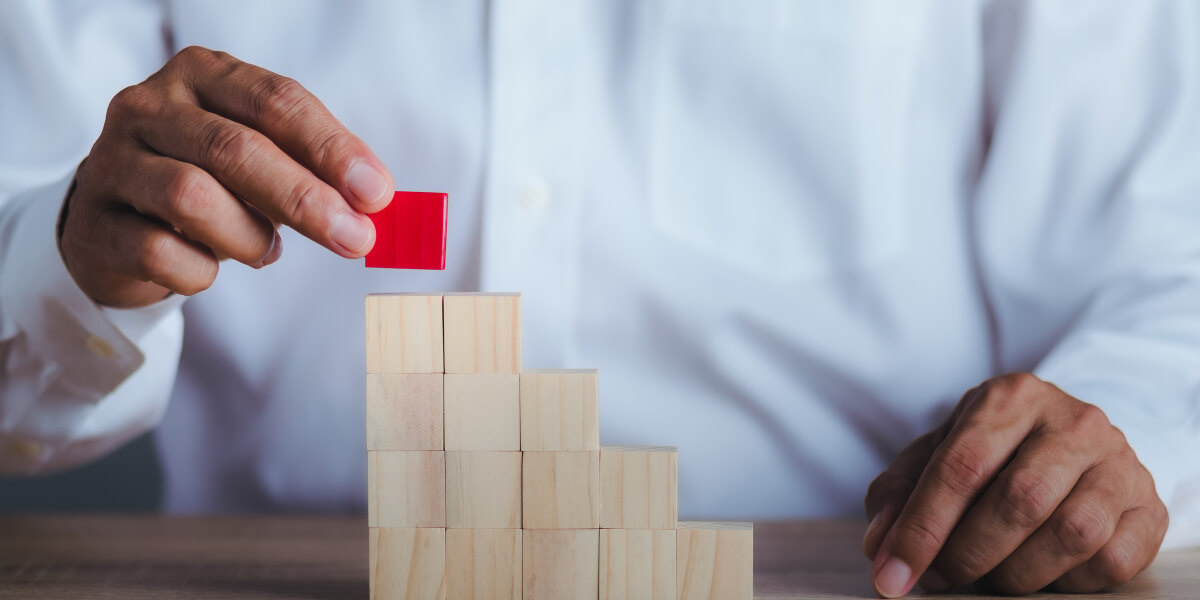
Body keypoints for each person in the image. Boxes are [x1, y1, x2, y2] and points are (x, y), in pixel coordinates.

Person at [1, 1, 1197, 596]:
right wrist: (67, 256)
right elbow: (23, 237)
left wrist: (1093, 448)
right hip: (291, 576)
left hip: (850, 579)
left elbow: (1169, 271)